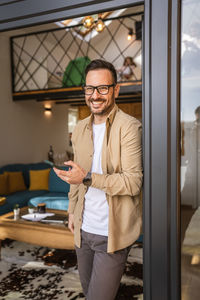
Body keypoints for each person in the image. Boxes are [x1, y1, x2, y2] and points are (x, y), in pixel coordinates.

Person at [54, 59, 143, 300]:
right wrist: (72, 210)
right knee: (88, 292)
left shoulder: (129, 127)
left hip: (110, 233)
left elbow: (133, 182)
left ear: (116, 89)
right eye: (90, 88)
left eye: (102, 88)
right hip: (83, 231)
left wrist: (88, 178)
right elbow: (76, 179)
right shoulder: (80, 129)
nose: (95, 95)